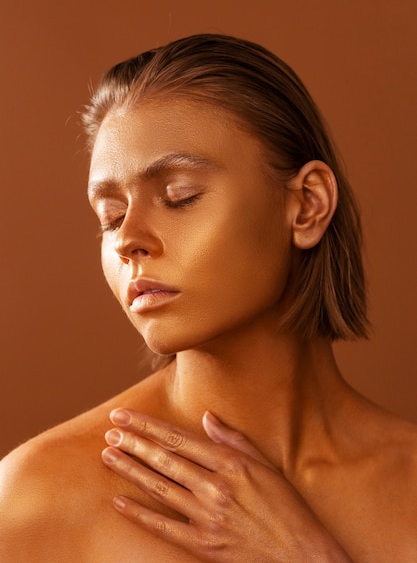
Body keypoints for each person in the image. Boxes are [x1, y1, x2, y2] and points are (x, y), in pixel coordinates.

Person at [1, 34, 416, 562]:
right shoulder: (37, 499)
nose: (128, 239)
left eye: (180, 196)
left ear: (308, 205)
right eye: (110, 216)